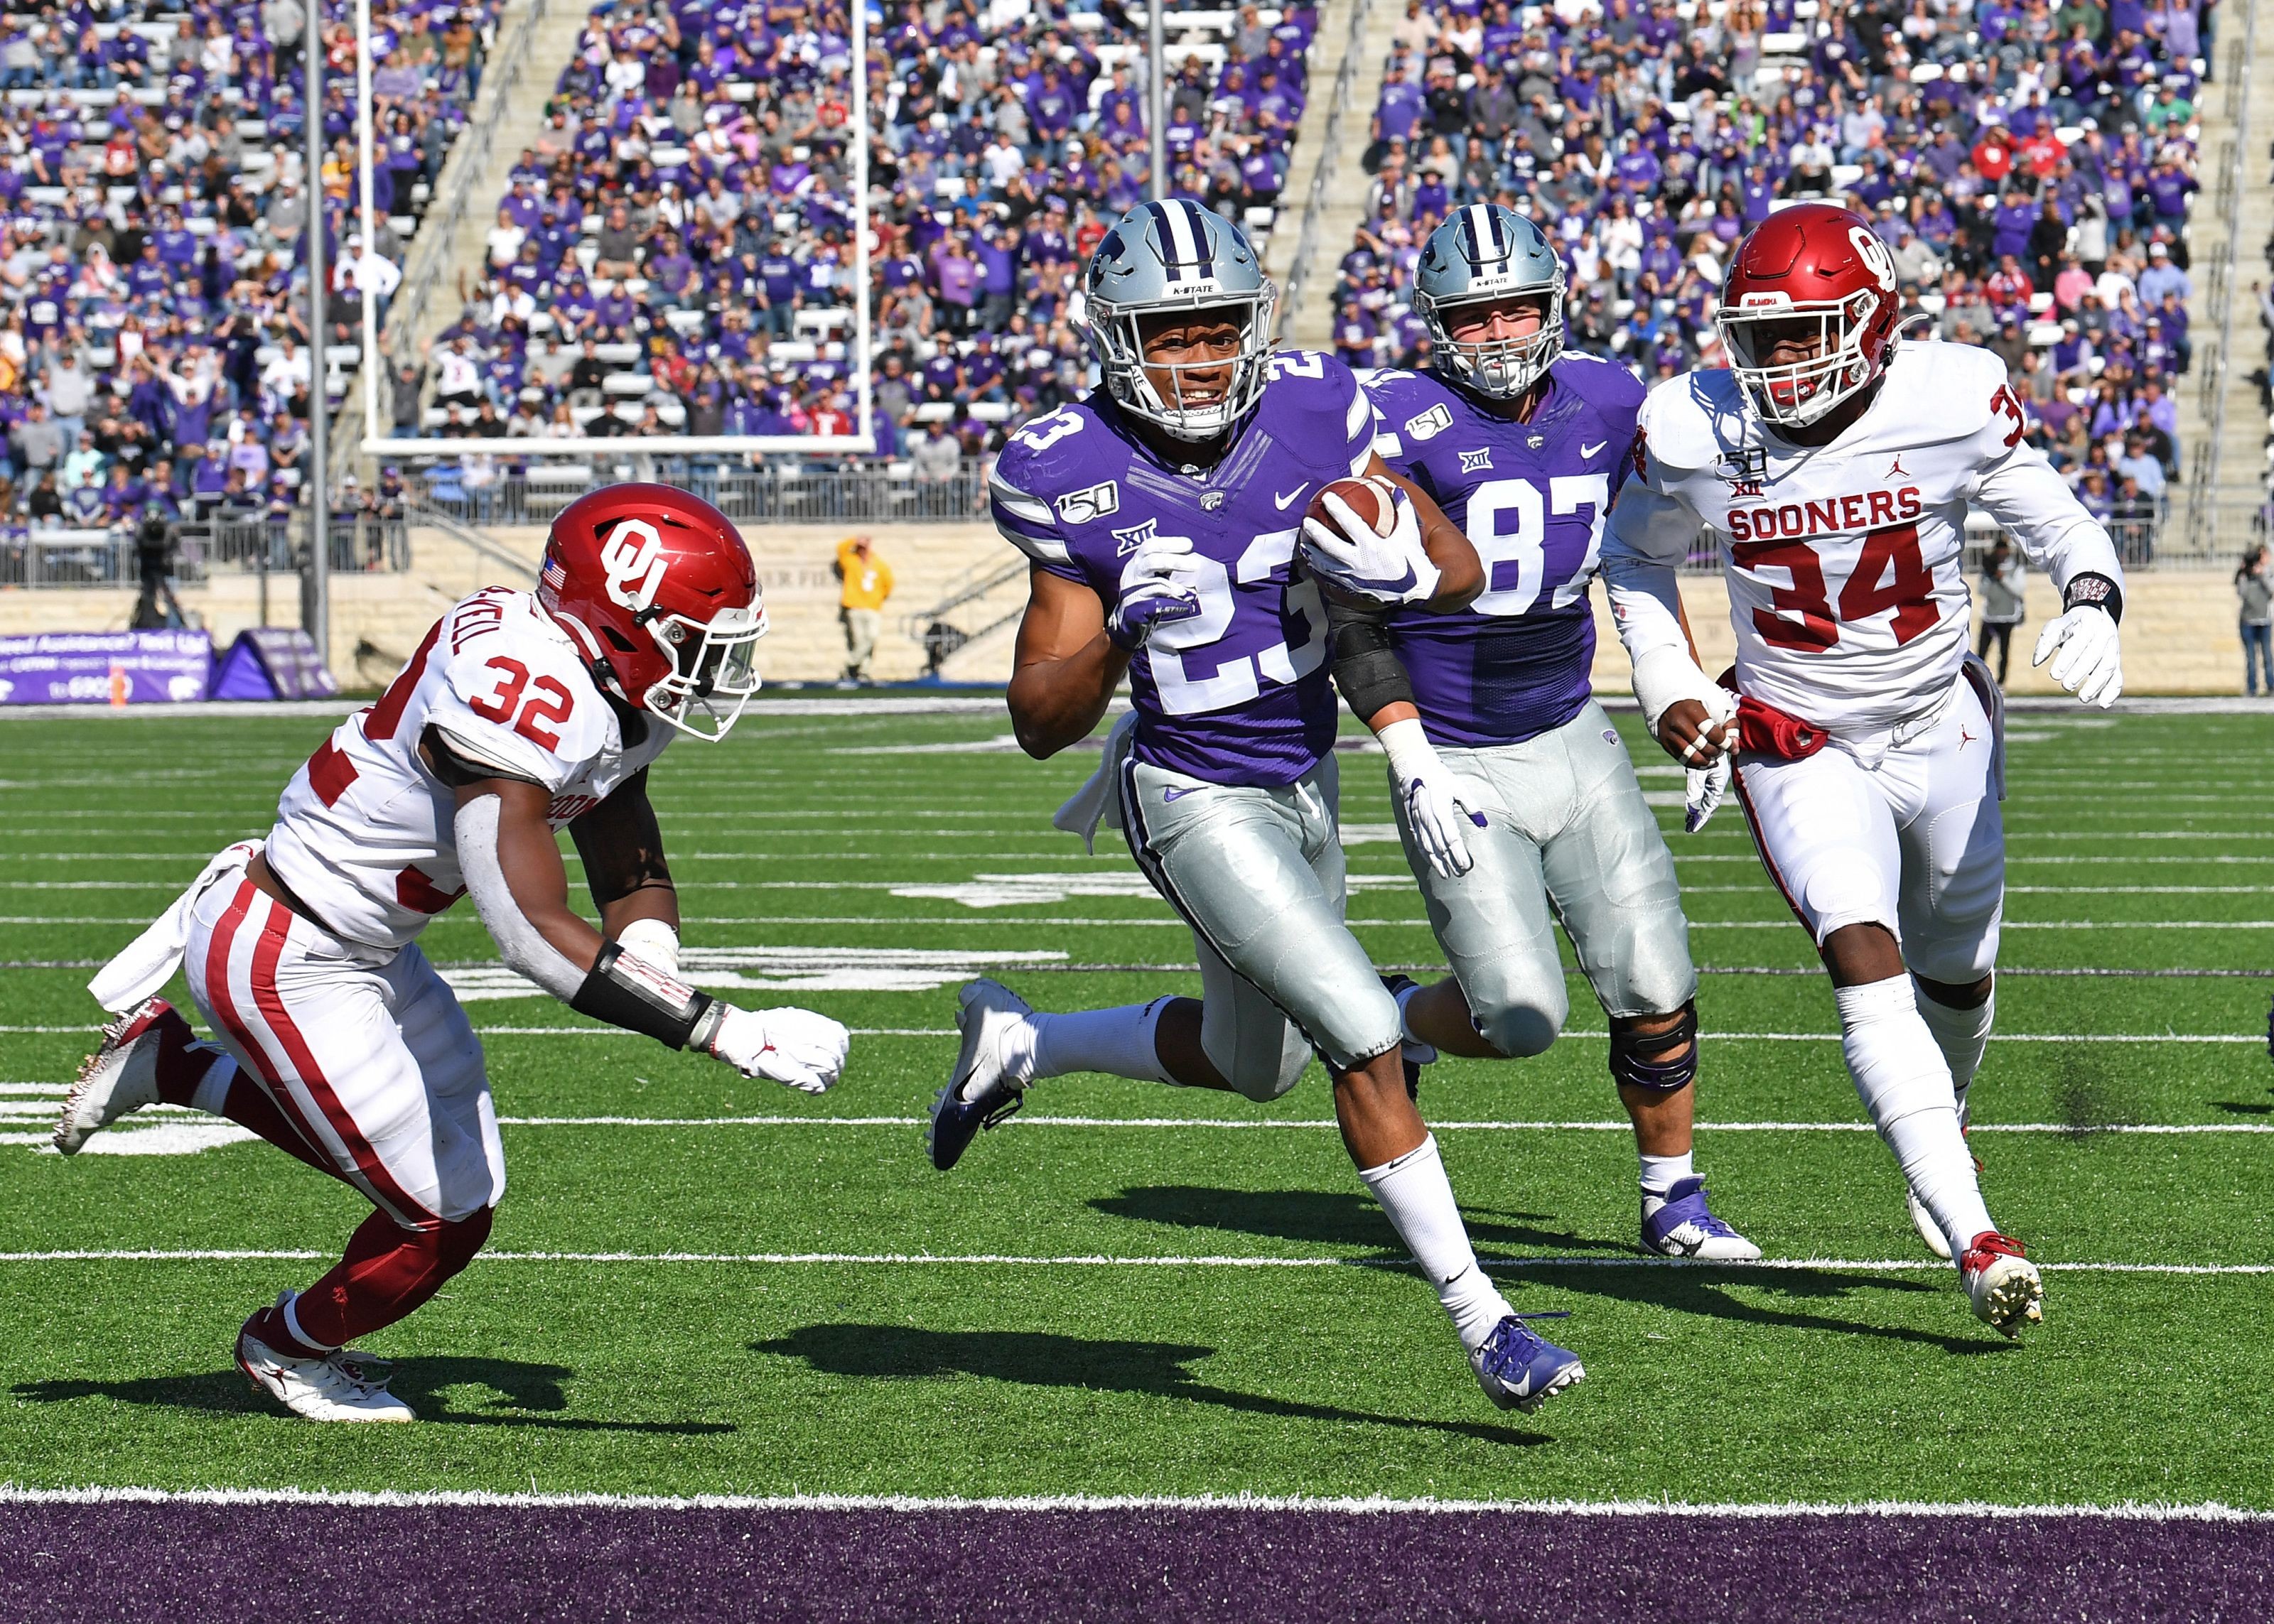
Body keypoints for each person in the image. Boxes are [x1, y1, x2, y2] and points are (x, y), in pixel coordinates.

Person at [932, 200, 1584, 1414]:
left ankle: (1030, 1042)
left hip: (1304, 775)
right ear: (1119, 339)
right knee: (1364, 1032)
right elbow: (1037, 719)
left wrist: (1398, 560)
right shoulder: (1063, 469)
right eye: (1169, 333)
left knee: (1258, 1064)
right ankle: (1485, 1318)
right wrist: (1121, 633)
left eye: (1218, 327)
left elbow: (1455, 566)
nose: (1198, 356)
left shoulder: (1313, 405)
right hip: (1186, 788)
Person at [55, 485, 850, 1422]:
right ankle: (285, 1341)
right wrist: (716, 1026)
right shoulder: (524, 684)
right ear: (622, 620)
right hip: (288, 947)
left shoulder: (592, 674)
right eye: (692, 635)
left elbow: (612, 803)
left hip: (369, 946)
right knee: (436, 1216)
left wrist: (654, 949)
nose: (713, 665)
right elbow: (523, 926)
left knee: (469, 1189)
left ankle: (173, 1064)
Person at [1602, 204, 2128, 1340]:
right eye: (1762, 336)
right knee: (1861, 945)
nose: (1780, 361)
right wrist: (1673, 681)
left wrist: (2094, 597)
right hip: (1800, 734)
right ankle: (1978, 1235)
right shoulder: (1691, 426)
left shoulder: (1949, 395)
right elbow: (1633, 560)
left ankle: (1947, 1122)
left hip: (1942, 723)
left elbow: (2062, 523)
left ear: (1876, 321)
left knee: (1962, 968)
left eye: (1807, 333)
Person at [1332, 205, 1757, 1261]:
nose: (1501, 331)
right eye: (1475, 315)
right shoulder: (1389, 421)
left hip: (1572, 728)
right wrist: (1409, 755)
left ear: (1555, 301)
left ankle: (1674, 1197)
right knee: (1518, 1014)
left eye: (1518, 305)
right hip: (1456, 752)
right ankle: (1398, 1013)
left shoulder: (1612, 400)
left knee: (1656, 978)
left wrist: (1675, 682)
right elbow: (1352, 612)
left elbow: (1642, 553)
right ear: (1437, 322)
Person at [834, 534, 895, 686]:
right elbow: (840, 550)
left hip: (873, 608)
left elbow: (889, 582)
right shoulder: (851, 561)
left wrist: (878, 598)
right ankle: (862, 671)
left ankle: (851, 663)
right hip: (855, 607)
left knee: (872, 637)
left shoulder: (878, 564)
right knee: (859, 640)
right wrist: (854, 540)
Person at [1976, 536, 2025, 683]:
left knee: (2004, 652)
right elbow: (1981, 591)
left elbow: (2019, 591)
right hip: (1990, 616)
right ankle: (1980, 681)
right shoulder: (1988, 570)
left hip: (2008, 617)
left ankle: (2001, 681)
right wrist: (1989, 575)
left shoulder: (2016, 569)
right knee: (1982, 652)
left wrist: (2001, 577)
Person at [2238, 544, 2273, 696]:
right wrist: (2244, 573)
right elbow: (2242, 593)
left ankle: (2271, 686)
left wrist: (2262, 575)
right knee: (2251, 658)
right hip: (2248, 621)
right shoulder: (2244, 576)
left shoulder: (2267, 573)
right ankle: (2252, 689)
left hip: (2264, 620)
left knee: (2267, 656)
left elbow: (2272, 591)